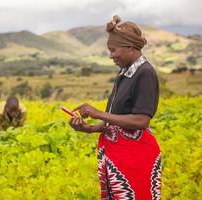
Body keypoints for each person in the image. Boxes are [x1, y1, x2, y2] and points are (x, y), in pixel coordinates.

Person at [69, 15, 161, 199]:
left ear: (129, 48)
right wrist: (88, 128)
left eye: (113, 50)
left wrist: (98, 113)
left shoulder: (145, 73)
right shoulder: (124, 72)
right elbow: (114, 118)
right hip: (117, 157)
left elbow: (142, 121)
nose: (111, 55)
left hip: (135, 157)